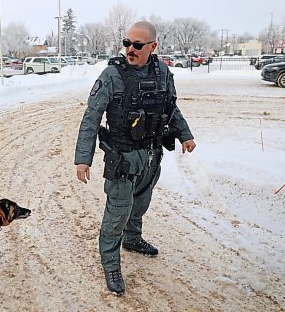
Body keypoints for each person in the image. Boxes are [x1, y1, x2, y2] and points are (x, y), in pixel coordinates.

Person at [74, 21, 196, 296]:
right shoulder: (112, 75)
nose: (130, 49)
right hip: (122, 156)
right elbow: (91, 118)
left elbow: (170, 108)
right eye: (127, 43)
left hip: (152, 154)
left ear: (153, 47)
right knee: (118, 211)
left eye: (137, 45)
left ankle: (132, 239)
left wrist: (184, 134)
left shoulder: (163, 72)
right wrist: (84, 158)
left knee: (140, 202)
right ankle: (111, 263)